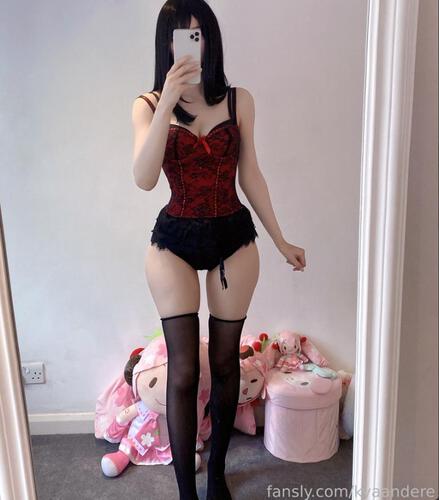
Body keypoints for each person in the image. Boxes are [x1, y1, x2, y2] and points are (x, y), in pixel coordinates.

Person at [131, 2, 306, 498]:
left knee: (227, 362)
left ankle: (216, 475)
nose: (192, 43)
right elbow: (143, 179)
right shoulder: (146, 105)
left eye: (199, 33)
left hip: (233, 234)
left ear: (211, 39)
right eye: (180, 35)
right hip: (174, 241)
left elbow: (251, 175)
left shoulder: (237, 100)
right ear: (166, 44)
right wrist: (167, 101)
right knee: (184, 370)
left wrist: (281, 239)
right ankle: (185, 490)